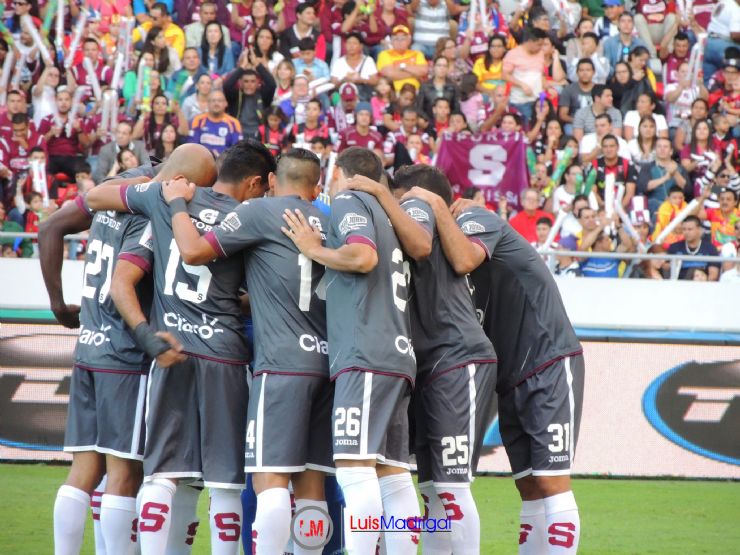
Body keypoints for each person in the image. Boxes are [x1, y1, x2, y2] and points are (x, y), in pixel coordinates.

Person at [85, 139, 276, 554]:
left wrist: (162, 184)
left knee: (162, 476)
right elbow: (258, 296)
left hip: (169, 351)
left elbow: (94, 196)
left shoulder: (166, 194)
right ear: (254, 184)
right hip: (224, 355)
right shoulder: (252, 216)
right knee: (225, 481)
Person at [41, 146, 218, 555]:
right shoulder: (153, 206)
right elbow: (125, 280)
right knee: (124, 472)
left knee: (83, 472)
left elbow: (49, 227)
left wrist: (58, 305)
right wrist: (148, 338)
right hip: (126, 352)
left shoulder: (114, 188)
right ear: (185, 180)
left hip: (89, 347)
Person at [160, 148, 334, 554]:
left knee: (270, 480)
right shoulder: (330, 220)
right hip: (327, 363)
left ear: (273, 180)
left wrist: (176, 205)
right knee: (311, 486)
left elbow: (193, 251)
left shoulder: (260, 212)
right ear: (317, 185)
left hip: (281, 365)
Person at [281, 147, 424, 554]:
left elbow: (362, 256)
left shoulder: (348, 199)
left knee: (354, 470)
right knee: (392, 476)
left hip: (365, 352)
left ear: (342, 174)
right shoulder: (391, 213)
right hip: (396, 354)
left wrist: (314, 249)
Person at [349, 164, 497, 554]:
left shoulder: (418, 211)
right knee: (430, 489)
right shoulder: (412, 216)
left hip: (456, 358)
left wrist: (386, 197)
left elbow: (421, 245)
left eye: (398, 195)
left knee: (449, 487)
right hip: (426, 365)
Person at [430, 191, 586, 554]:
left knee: (551, 483)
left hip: (547, 361)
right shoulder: (437, 261)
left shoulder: (475, 221)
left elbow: (467, 257)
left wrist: (439, 207)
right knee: (529, 487)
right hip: (509, 377)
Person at [223, 51, 276, 138]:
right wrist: (242, 67)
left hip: (258, 134)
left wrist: (257, 65)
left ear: (258, 83)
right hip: (238, 133)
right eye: (246, 81)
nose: (249, 84)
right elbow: (227, 85)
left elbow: (272, 84)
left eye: (253, 81)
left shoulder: (263, 95)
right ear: (240, 83)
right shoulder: (235, 96)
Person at [502, 26, 547, 124]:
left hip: (537, 100)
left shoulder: (540, 54)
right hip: (520, 101)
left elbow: (541, 74)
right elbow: (505, 75)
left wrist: (545, 88)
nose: (540, 48)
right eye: (538, 44)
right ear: (530, 41)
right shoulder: (513, 54)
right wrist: (522, 85)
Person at [637, 137, 689, 217]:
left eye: (665, 147)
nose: (662, 149)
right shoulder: (647, 167)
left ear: (671, 151)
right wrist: (665, 178)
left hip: (676, 206)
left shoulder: (680, 168)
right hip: (655, 205)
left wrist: (675, 173)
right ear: (655, 150)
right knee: (653, 202)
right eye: (659, 146)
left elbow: (687, 189)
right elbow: (643, 187)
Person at [188, 90, 243, 157]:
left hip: (224, 164)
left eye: (219, 100)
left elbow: (237, 149)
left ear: (226, 103)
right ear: (207, 103)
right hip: (202, 161)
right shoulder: (198, 120)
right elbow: (192, 146)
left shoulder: (234, 123)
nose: (216, 103)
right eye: (213, 101)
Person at [377, 25, 429, 94]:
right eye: (396, 39)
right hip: (394, 92)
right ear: (391, 41)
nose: (399, 42)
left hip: (416, 91)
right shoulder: (384, 54)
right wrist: (414, 73)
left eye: (403, 39)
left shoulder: (417, 54)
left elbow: (423, 71)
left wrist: (402, 67)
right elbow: (390, 74)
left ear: (409, 40)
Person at [667, 215, 720, 280]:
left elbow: (713, 275)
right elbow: (667, 269)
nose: (686, 232)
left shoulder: (710, 249)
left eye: (690, 229)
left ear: (699, 230)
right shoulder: (674, 248)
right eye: (684, 229)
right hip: (679, 286)